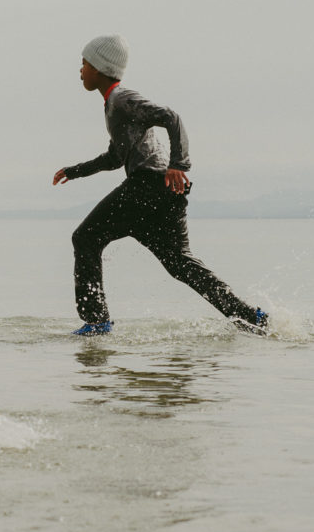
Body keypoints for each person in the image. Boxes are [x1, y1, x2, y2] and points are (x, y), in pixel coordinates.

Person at [52, 34, 268, 336]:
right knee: (179, 263)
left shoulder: (122, 99)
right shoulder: (115, 106)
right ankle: (250, 317)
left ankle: (97, 322)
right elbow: (116, 157)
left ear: (100, 68)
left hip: (148, 186)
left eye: (84, 64)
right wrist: (74, 171)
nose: (80, 70)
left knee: (85, 238)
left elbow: (171, 117)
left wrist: (180, 164)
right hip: (163, 193)